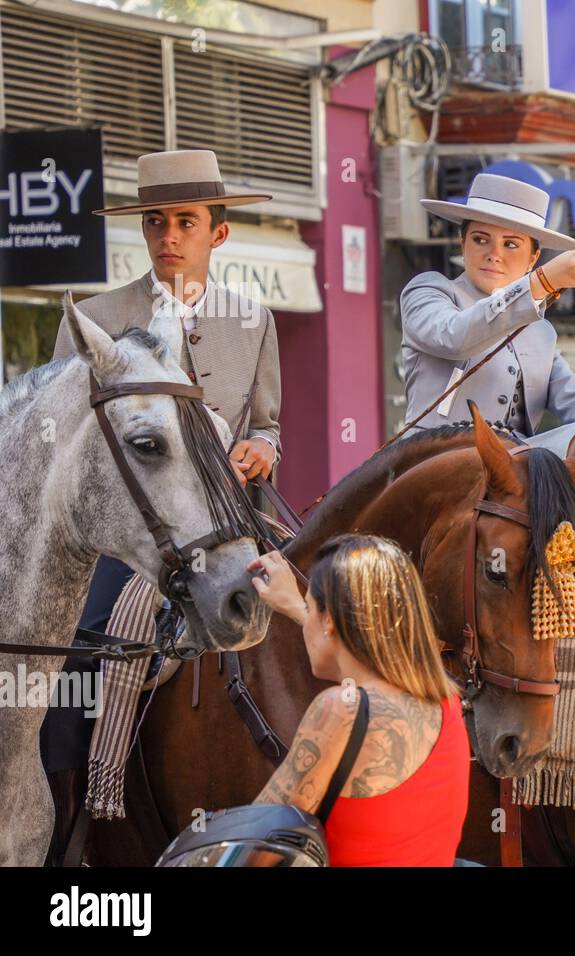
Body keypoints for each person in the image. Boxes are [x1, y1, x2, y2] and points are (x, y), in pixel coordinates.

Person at [49, 148, 283, 635]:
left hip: (227, 523)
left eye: (185, 222)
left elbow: (266, 424)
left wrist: (263, 446)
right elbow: (58, 439)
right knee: (88, 645)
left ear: (218, 233)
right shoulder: (92, 320)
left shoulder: (254, 321)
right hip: (127, 536)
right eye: (155, 222)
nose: (168, 236)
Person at [248, 535, 469, 867]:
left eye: (312, 608)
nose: (306, 619)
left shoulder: (340, 710)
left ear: (330, 622)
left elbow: (255, 848)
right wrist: (301, 609)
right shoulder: (447, 703)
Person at [400, 172, 575, 467]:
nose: (494, 254)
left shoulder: (539, 330)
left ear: (533, 257)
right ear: (462, 243)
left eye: (511, 244)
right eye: (481, 240)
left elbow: (569, 391)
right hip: (435, 460)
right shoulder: (430, 290)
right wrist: (540, 283)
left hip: (514, 466)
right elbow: (454, 336)